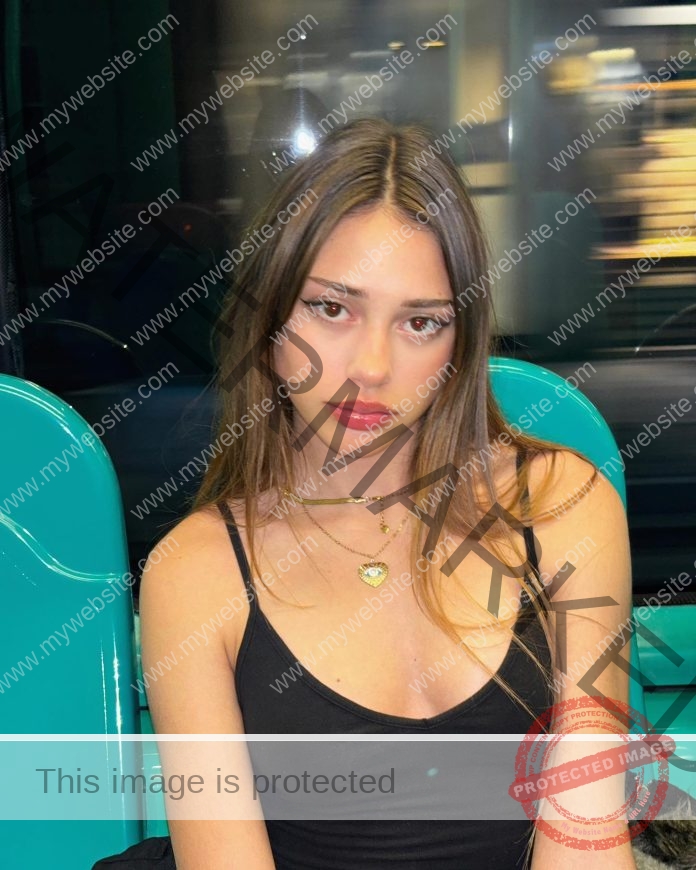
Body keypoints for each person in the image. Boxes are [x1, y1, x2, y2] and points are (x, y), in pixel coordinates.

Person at [139, 117, 635, 869]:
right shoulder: (195, 573)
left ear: (461, 341)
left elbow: (588, 842)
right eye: (331, 308)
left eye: (421, 322)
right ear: (269, 320)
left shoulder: (561, 507)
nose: (371, 366)